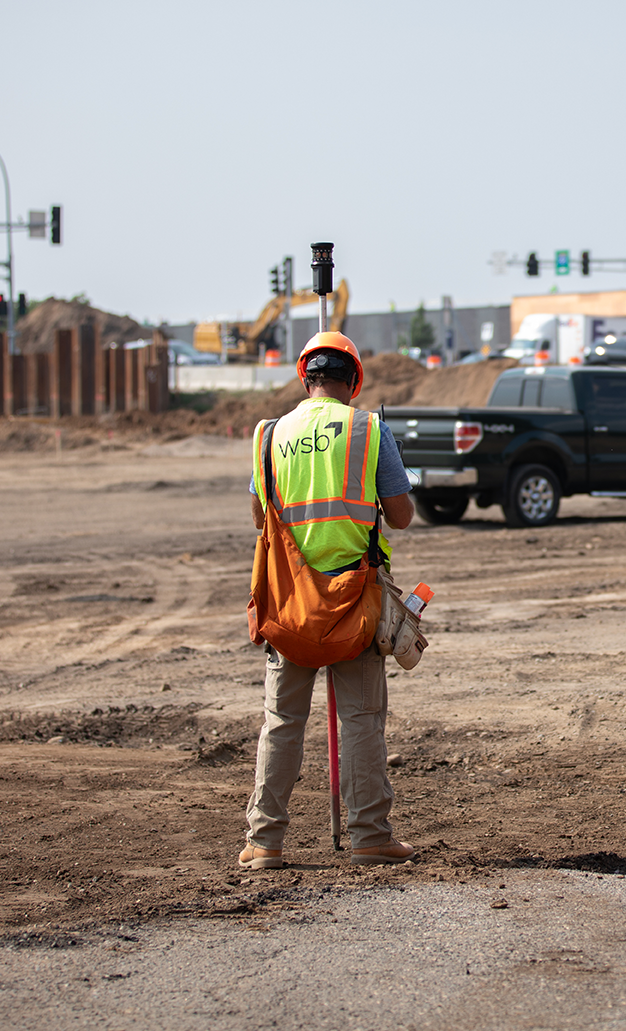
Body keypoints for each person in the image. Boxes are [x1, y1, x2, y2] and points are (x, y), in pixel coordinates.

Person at [240, 332, 417, 869]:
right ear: (354, 380)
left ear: (305, 378)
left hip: (289, 603)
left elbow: (260, 516)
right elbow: (401, 516)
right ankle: (369, 836)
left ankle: (264, 842)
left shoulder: (269, 434)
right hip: (353, 603)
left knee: (281, 721)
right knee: (361, 720)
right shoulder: (370, 431)